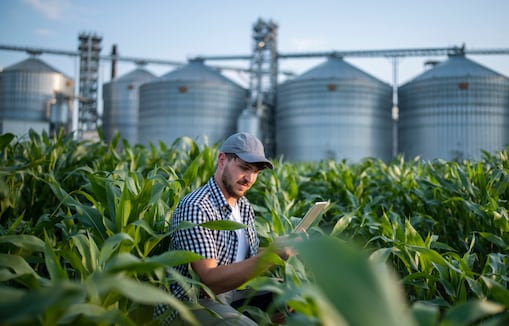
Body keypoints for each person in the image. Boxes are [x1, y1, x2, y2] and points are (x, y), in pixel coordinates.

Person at [154, 132, 291, 325]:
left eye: (256, 172)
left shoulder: (243, 206)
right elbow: (209, 281)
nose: (250, 179)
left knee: (297, 295)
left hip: (234, 291)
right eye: (244, 168)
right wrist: (268, 257)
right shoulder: (197, 207)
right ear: (222, 160)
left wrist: (279, 252)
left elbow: (244, 256)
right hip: (194, 301)